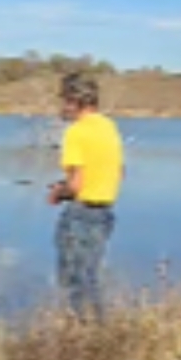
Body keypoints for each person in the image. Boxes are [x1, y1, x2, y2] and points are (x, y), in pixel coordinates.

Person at [47, 73, 124, 320]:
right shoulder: (108, 126)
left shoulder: (76, 132)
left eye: (65, 100)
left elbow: (77, 185)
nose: (63, 107)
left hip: (81, 214)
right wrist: (68, 184)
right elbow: (119, 172)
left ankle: (80, 332)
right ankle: (99, 328)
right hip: (105, 213)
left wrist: (59, 192)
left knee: (72, 276)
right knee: (90, 274)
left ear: (74, 100)